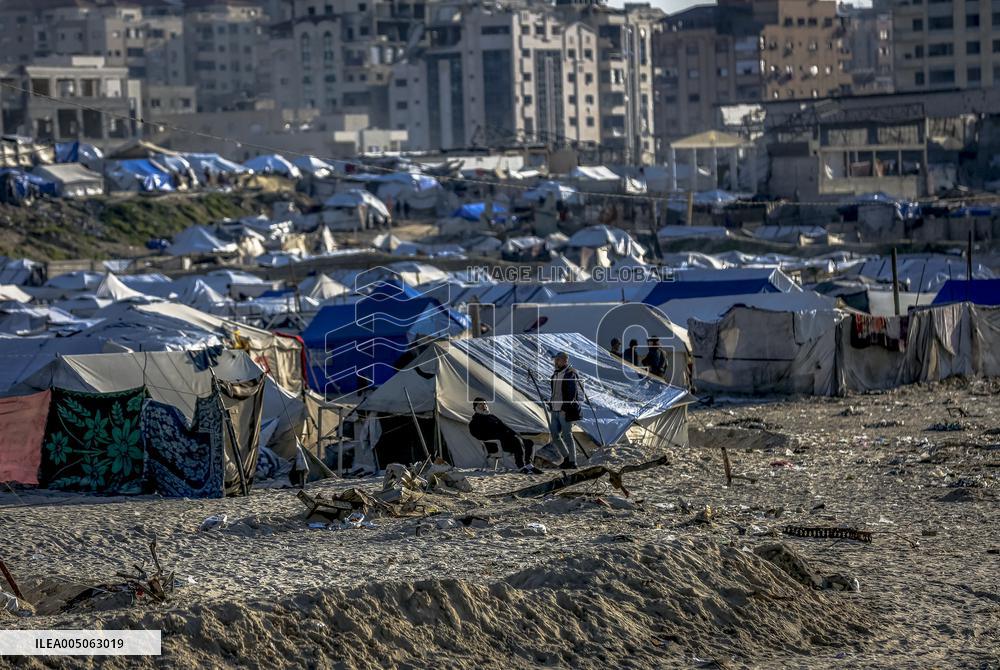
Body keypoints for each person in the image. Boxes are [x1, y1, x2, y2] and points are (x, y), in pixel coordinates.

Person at [468, 398, 540, 474]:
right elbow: (478, 435)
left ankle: (528, 465)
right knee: (516, 441)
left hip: (506, 440)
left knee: (529, 442)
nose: (484, 406)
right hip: (495, 445)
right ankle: (521, 466)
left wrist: (517, 435)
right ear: (475, 407)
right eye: (480, 404)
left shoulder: (492, 417)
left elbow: (504, 427)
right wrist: (497, 435)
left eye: (485, 404)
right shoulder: (475, 421)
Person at [549, 351, 581, 469]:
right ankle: (567, 457)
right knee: (555, 435)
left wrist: (565, 408)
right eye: (555, 360)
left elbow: (572, 394)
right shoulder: (556, 374)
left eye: (557, 360)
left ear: (564, 360)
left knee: (567, 435)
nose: (555, 362)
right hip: (555, 410)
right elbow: (555, 392)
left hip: (564, 410)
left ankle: (573, 461)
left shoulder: (570, 374)